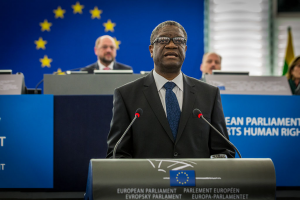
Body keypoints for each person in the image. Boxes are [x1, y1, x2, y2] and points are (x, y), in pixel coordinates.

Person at [106, 21, 235, 158]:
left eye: (179, 40)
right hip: (148, 179)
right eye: (163, 40)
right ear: (151, 50)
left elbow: (223, 152)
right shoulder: (126, 95)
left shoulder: (209, 95)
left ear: (185, 49)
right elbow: (116, 154)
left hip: (197, 179)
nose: (172, 45)